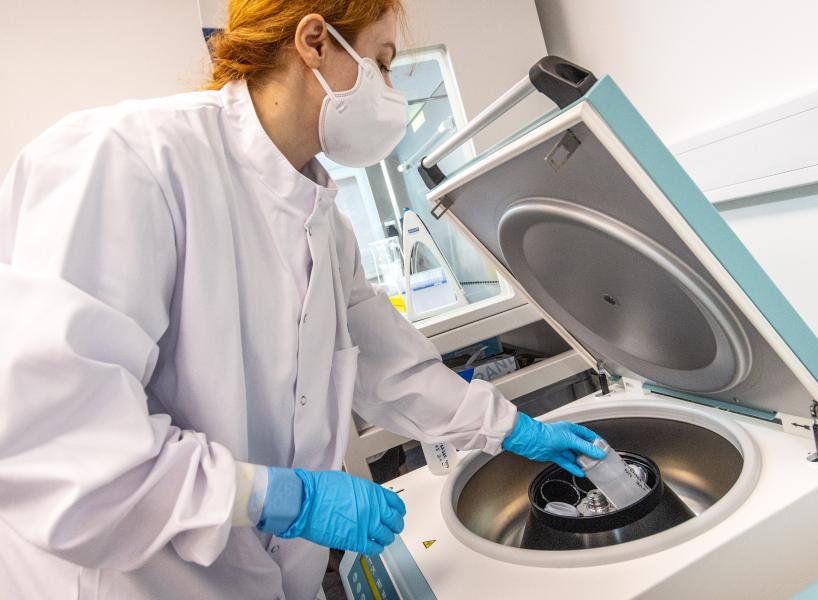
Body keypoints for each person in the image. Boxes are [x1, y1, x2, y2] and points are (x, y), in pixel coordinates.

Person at [0, 1, 605, 598]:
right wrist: (281, 499)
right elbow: (66, 454)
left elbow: (387, 364)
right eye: (383, 63)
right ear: (314, 41)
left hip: (264, 576)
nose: (390, 89)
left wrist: (512, 427)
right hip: (135, 580)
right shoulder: (128, 160)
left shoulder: (321, 218)